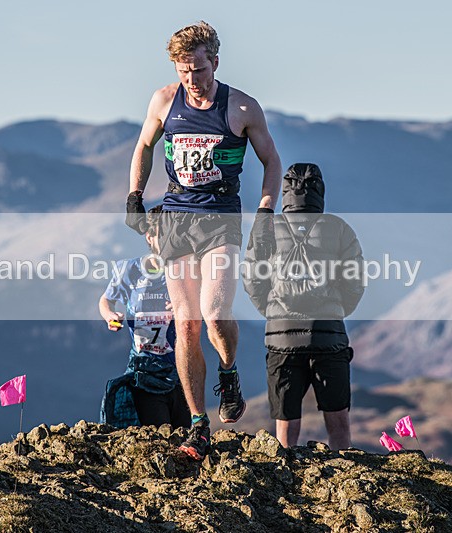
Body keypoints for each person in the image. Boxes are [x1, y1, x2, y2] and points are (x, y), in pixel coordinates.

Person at [125, 21, 282, 460]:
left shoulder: (242, 108)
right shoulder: (163, 100)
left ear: (215, 61)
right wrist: (135, 196)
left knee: (214, 314)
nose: (192, 79)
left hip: (220, 218)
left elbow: (271, 160)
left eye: (198, 69)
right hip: (175, 219)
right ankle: (198, 424)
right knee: (187, 324)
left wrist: (267, 210)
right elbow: (144, 145)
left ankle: (228, 371)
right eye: (183, 70)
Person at [243, 163, 364, 450]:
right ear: (320, 192)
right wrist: (336, 312)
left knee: (285, 430)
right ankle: (344, 479)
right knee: (339, 427)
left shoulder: (267, 228)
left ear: (285, 192)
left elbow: (252, 279)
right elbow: (355, 283)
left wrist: (273, 312)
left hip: (281, 340)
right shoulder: (339, 229)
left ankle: (286, 484)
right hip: (329, 337)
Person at [99, 206, 191, 429]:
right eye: (164, 234)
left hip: (182, 372)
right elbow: (105, 301)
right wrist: (111, 316)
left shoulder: (185, 269)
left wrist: (185, 307)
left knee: (185, 441)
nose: (171, 240)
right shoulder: (129, 270)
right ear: (150, 237)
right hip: (145, 370)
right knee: (160, 438)